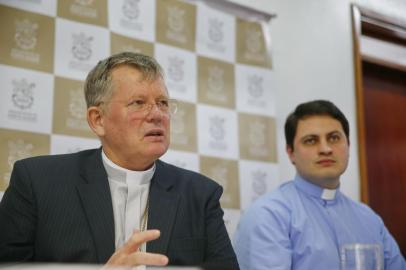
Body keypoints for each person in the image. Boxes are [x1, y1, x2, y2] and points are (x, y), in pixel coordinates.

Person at [0, 52, 239, 269]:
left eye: (163, 103)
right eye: (138, 103)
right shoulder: (37, 183)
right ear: (98, 120)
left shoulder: (200, 194)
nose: (157, 114)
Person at [233, 100, 406, 269]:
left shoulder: (370, 220)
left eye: (334, 138)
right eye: (311, 140)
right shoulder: (268, 216)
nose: (325, 149)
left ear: (348, 145)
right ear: (291, 153)